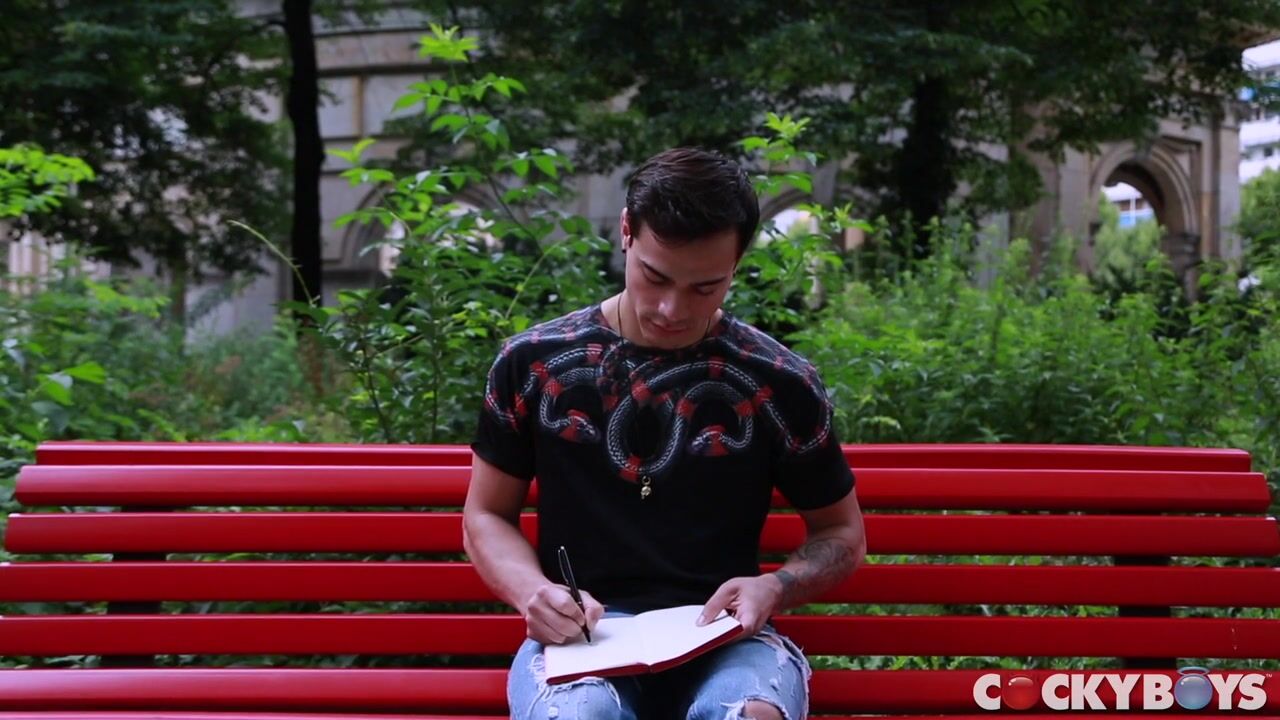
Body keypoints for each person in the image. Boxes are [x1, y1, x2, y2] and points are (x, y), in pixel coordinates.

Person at [462, 147, 866, 720]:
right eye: (655, 277)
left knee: (749, 714)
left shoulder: (778, 380)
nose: (672, 309)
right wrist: (534, 592)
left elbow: (842, 532)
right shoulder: (532, 363)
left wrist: (775, 587)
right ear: (626, 231)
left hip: (725, 636)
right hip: (583, 639)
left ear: (738, 261)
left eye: (705, 287)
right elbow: (485, 515)